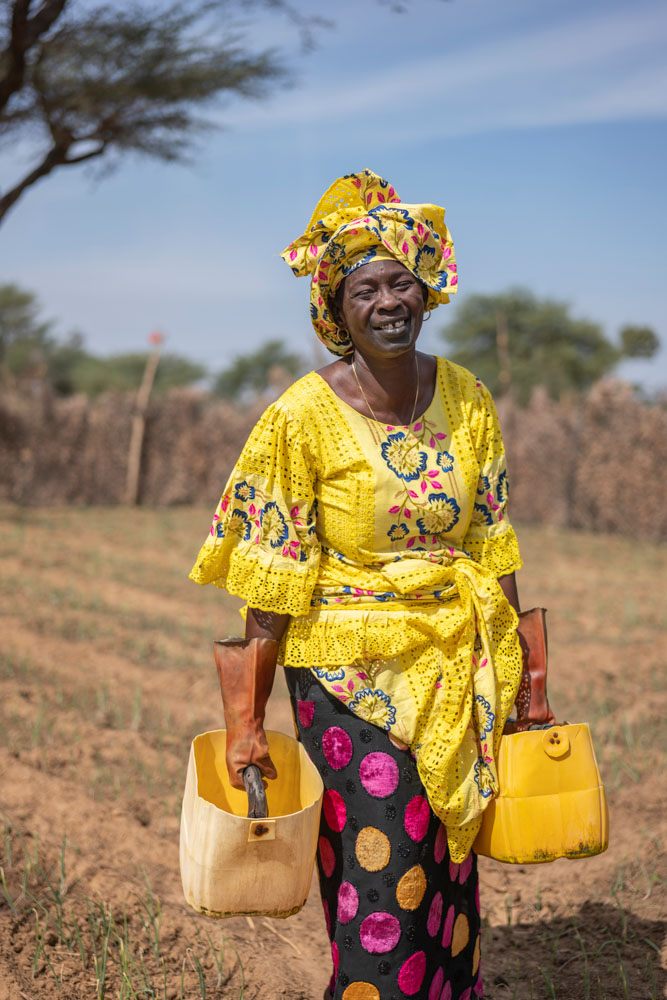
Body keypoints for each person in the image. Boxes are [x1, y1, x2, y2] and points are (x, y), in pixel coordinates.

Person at [190, 170, 530, 1000]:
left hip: (458, 667)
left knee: (449, 875)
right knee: (383, 882)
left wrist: (529, 676)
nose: (386, 301)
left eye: (400, 280)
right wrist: (244, 724)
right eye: (363, 288)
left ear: (427, 290)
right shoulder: (299, 418)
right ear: (334, 313)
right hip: (347, 678)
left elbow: (490, 536)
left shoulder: (467, 399)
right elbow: (272, 576)